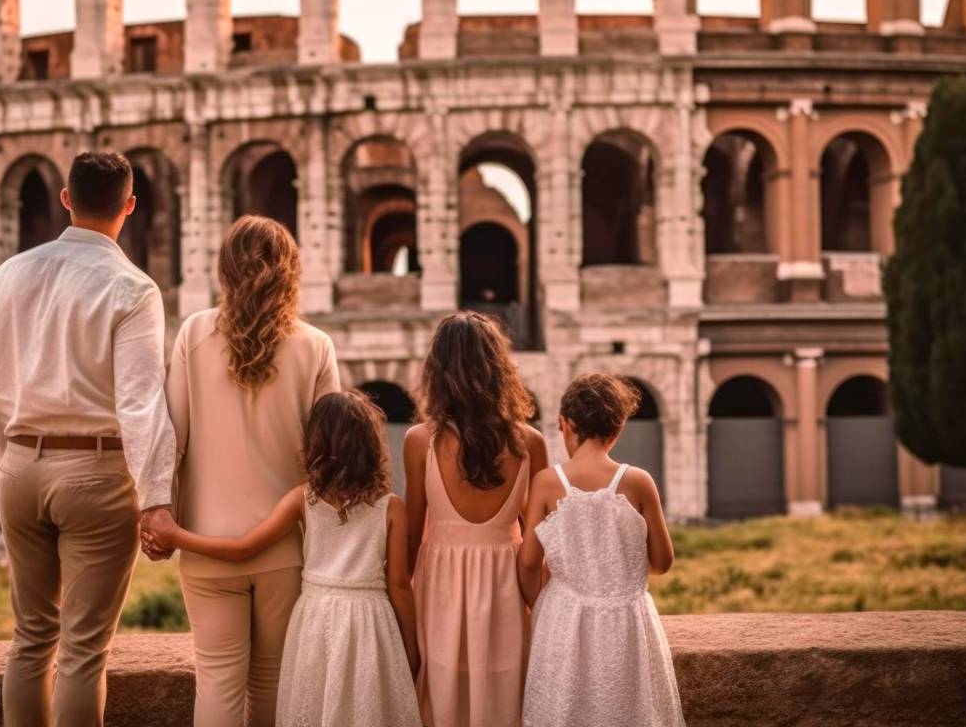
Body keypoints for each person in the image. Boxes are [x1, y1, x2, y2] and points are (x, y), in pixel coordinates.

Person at [0, 151, 176, 727]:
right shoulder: (132, 288)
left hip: (20, 464)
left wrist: (9, 459)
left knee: (30, 638)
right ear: (130, 207)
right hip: (96, 470)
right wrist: (156, 498)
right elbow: (139, 403)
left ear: (66, 198)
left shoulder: (3, 277)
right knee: (84, 650)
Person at [148, 215, 341, 727]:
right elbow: (329, 458)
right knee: (275, 683)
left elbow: (173, 439)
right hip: (285, 548)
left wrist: (159, 519)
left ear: (225, 269)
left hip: (203, 542)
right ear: (291, 271)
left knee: (216, 683)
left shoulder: (192, 333)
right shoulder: (315, 345)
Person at [146, 390, 423, 727]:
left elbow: (243, 549)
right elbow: (399, 584)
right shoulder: (391, 507)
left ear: (318, 444)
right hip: (371, 625)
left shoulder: (303, 500)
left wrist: (177, 537)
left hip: (315, 622)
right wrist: (411, 650)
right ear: (370, 445)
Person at [403, 311, 548, 727]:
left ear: (438, 370)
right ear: (499, 367)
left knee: (442, 693)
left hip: (439, 586)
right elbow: (541, 543)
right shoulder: (530, 442)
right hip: (506, 585)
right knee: (504, 695)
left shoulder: (420, 441)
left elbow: (412, 535)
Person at [517, 374, 684, 727]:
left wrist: (541, 604)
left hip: (563, 619)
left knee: (563, 708)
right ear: (619, 427)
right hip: (628, 623)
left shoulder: (548, 482)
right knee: (629, 709)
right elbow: (662, 562)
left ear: (564, 423)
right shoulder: (638, 481)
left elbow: (529, 562)